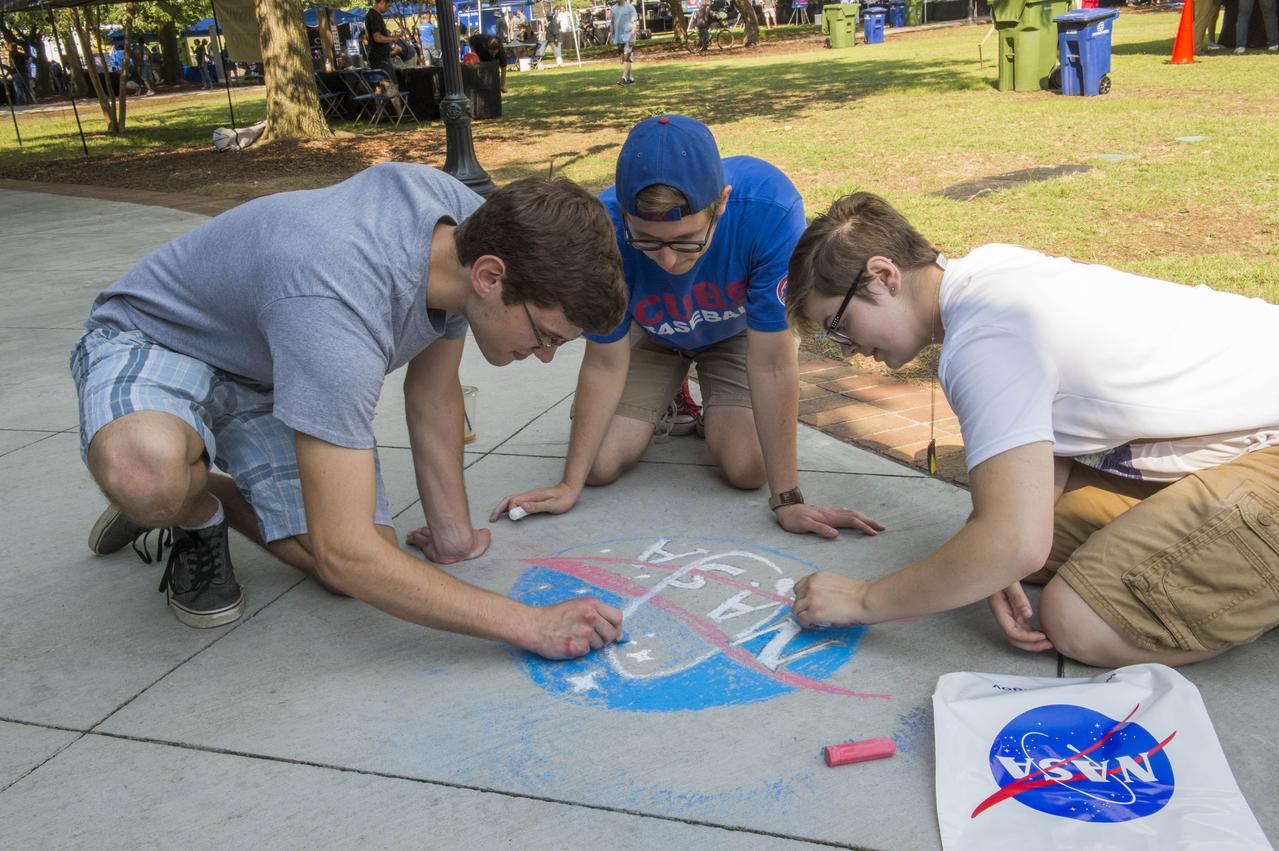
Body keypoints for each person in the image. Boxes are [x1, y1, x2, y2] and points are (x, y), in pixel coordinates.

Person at [73, 164, 629, 659]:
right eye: (545, 335)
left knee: (368, 567)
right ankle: (183, 506)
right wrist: (530, 624)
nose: (546, 355)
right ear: (489, 276)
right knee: (148, 476)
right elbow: (346, 554)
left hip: (275, 364)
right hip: (160, 338)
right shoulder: (336, 306)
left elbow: (433, 392)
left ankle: (199, 483)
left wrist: (452, 534)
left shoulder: (471, 228)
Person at [784, 191, 1279, 668]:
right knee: (1003, 544)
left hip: (1266, 439)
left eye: (838, 324)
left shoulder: (985, 340)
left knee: (1077, 622)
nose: (845, 348)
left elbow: (1014, 542)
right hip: (1239, 435)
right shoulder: (988, 269)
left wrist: (864, 601)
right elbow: (1041, 464)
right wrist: (994, 555)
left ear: (884, 275)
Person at [496, 115, 884, 544]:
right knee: (598, 467)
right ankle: (671, 396)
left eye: (686, 241)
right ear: (622, 212)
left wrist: (788, 498)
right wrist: (570, 484)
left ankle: (713, 411)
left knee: (748, 469)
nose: (667, 260)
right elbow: (605, 361)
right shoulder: (601, 227)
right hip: (650, 334)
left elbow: (773, 364)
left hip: (736, 335)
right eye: (646, 240)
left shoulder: (770, 207)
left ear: (721, 202)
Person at [364, 0, 405, 114]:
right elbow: (377, 38)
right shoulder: (375, 16)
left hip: (374, 57)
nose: (388, 8)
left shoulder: (369, 15)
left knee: (378, 86)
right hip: (381, 58)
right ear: (382, 2)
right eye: (388, 5)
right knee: (391, 85)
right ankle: (400, 114)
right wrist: (392, 39)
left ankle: (379, 114)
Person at [610, 0, 638, 85]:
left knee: (627, 56)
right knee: (624, 58)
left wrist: (632, 35)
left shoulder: (630, 7)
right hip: (619, 37)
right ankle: (630, 78)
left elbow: (634, 22)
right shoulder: (613, 8)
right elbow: (612, 23)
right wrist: (611, 36)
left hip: (629, 36)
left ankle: (624, 78)